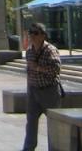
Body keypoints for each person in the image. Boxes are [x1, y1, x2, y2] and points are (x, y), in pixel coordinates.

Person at [22, 21, 62, 151]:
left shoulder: (50, 50)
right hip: (33, 91)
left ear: (43, 35)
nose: (32, 36)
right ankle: (28, 148)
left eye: (35, 33)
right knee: (31, 122)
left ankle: (55, 148)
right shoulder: (29, 51)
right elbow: (29, 71)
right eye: (30, 33)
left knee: (53, 122)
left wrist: (38, 68)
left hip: (49, 91)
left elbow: (56, 69)